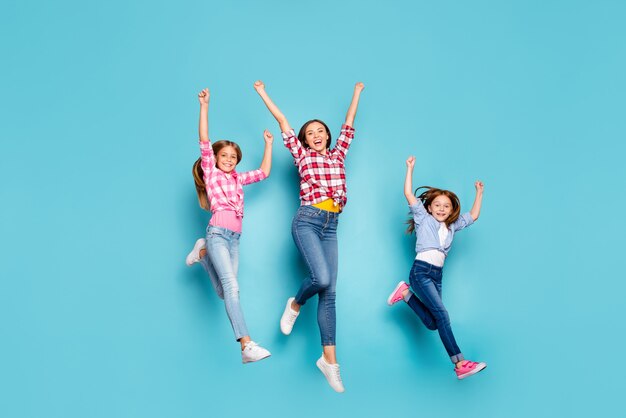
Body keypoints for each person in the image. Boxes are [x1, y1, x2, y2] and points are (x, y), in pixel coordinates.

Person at [253, 80, 364, 392]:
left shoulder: (338, 154)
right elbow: (283, 122)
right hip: (308, 220)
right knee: (322, 279)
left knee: (330, 293)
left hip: (332, 224)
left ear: (327, 136)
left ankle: (330, 362)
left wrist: (355, 93)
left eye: (320, 131)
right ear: (304, 140)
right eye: (310, 133)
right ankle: (296, 303)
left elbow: (349, 124)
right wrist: (263, 93)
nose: (316, 136)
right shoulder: (301, 155)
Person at [186, 87, 273, 364]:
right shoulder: (211, 173)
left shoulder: (237, 179)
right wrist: (205, 106)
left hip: (234, 238)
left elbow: (264, 172)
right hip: (218, 235)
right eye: (224, 156)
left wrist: (269, 145)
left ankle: (202, 255)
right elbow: (204, 138)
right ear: (215, 158)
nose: (229, 160)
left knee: (226, 291)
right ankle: (246, 345)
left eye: (233, 158)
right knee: (232, 289)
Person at [387, 156, 486, 380]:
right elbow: (409, 195)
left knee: (433, 322)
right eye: (437, 205)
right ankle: (460, 363)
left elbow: (474, 216)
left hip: (436, 275)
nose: (442, 209)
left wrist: (479, 193)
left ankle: (404, 293)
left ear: (451, 210)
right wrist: (410, 169)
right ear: (429, 207)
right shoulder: (423, 218)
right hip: (421, 271)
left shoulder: (452, 225)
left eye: (446, 206)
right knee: (443, 315)